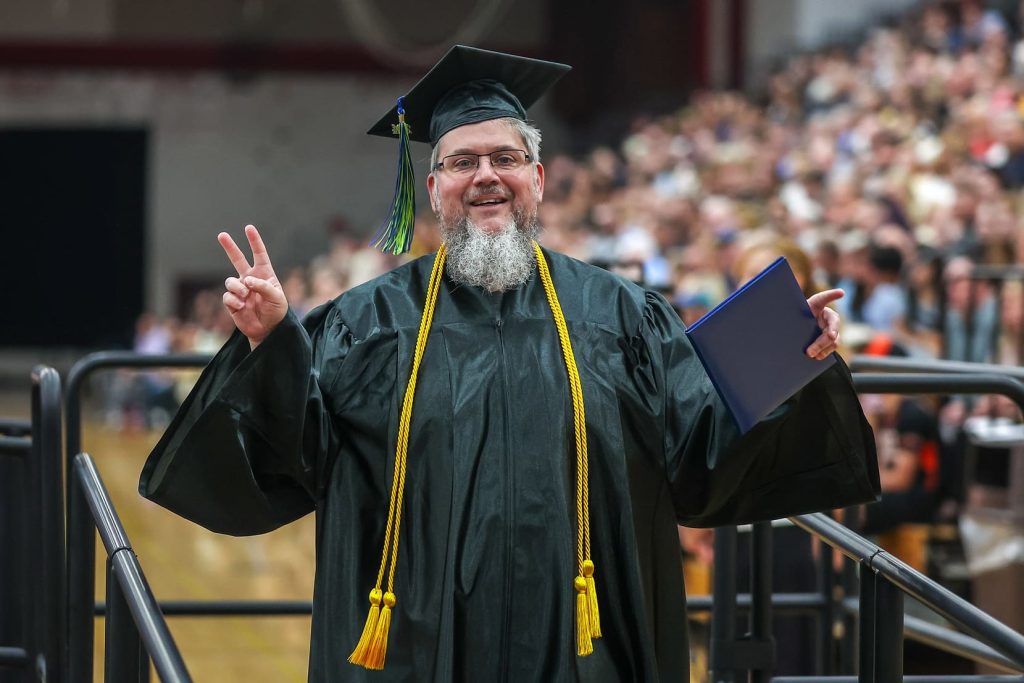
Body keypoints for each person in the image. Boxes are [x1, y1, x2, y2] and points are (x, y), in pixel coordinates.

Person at [139, 46, 879, 682]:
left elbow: (700, 451)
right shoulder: (365, 323)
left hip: (586, 650)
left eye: (506, 158)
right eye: (463, 161)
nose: (486, 175)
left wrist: (791, 355)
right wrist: (272, 343)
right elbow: (298, 455)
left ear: (539, 178)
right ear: (434, 190)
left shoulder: (623, 316)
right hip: (416, 649)